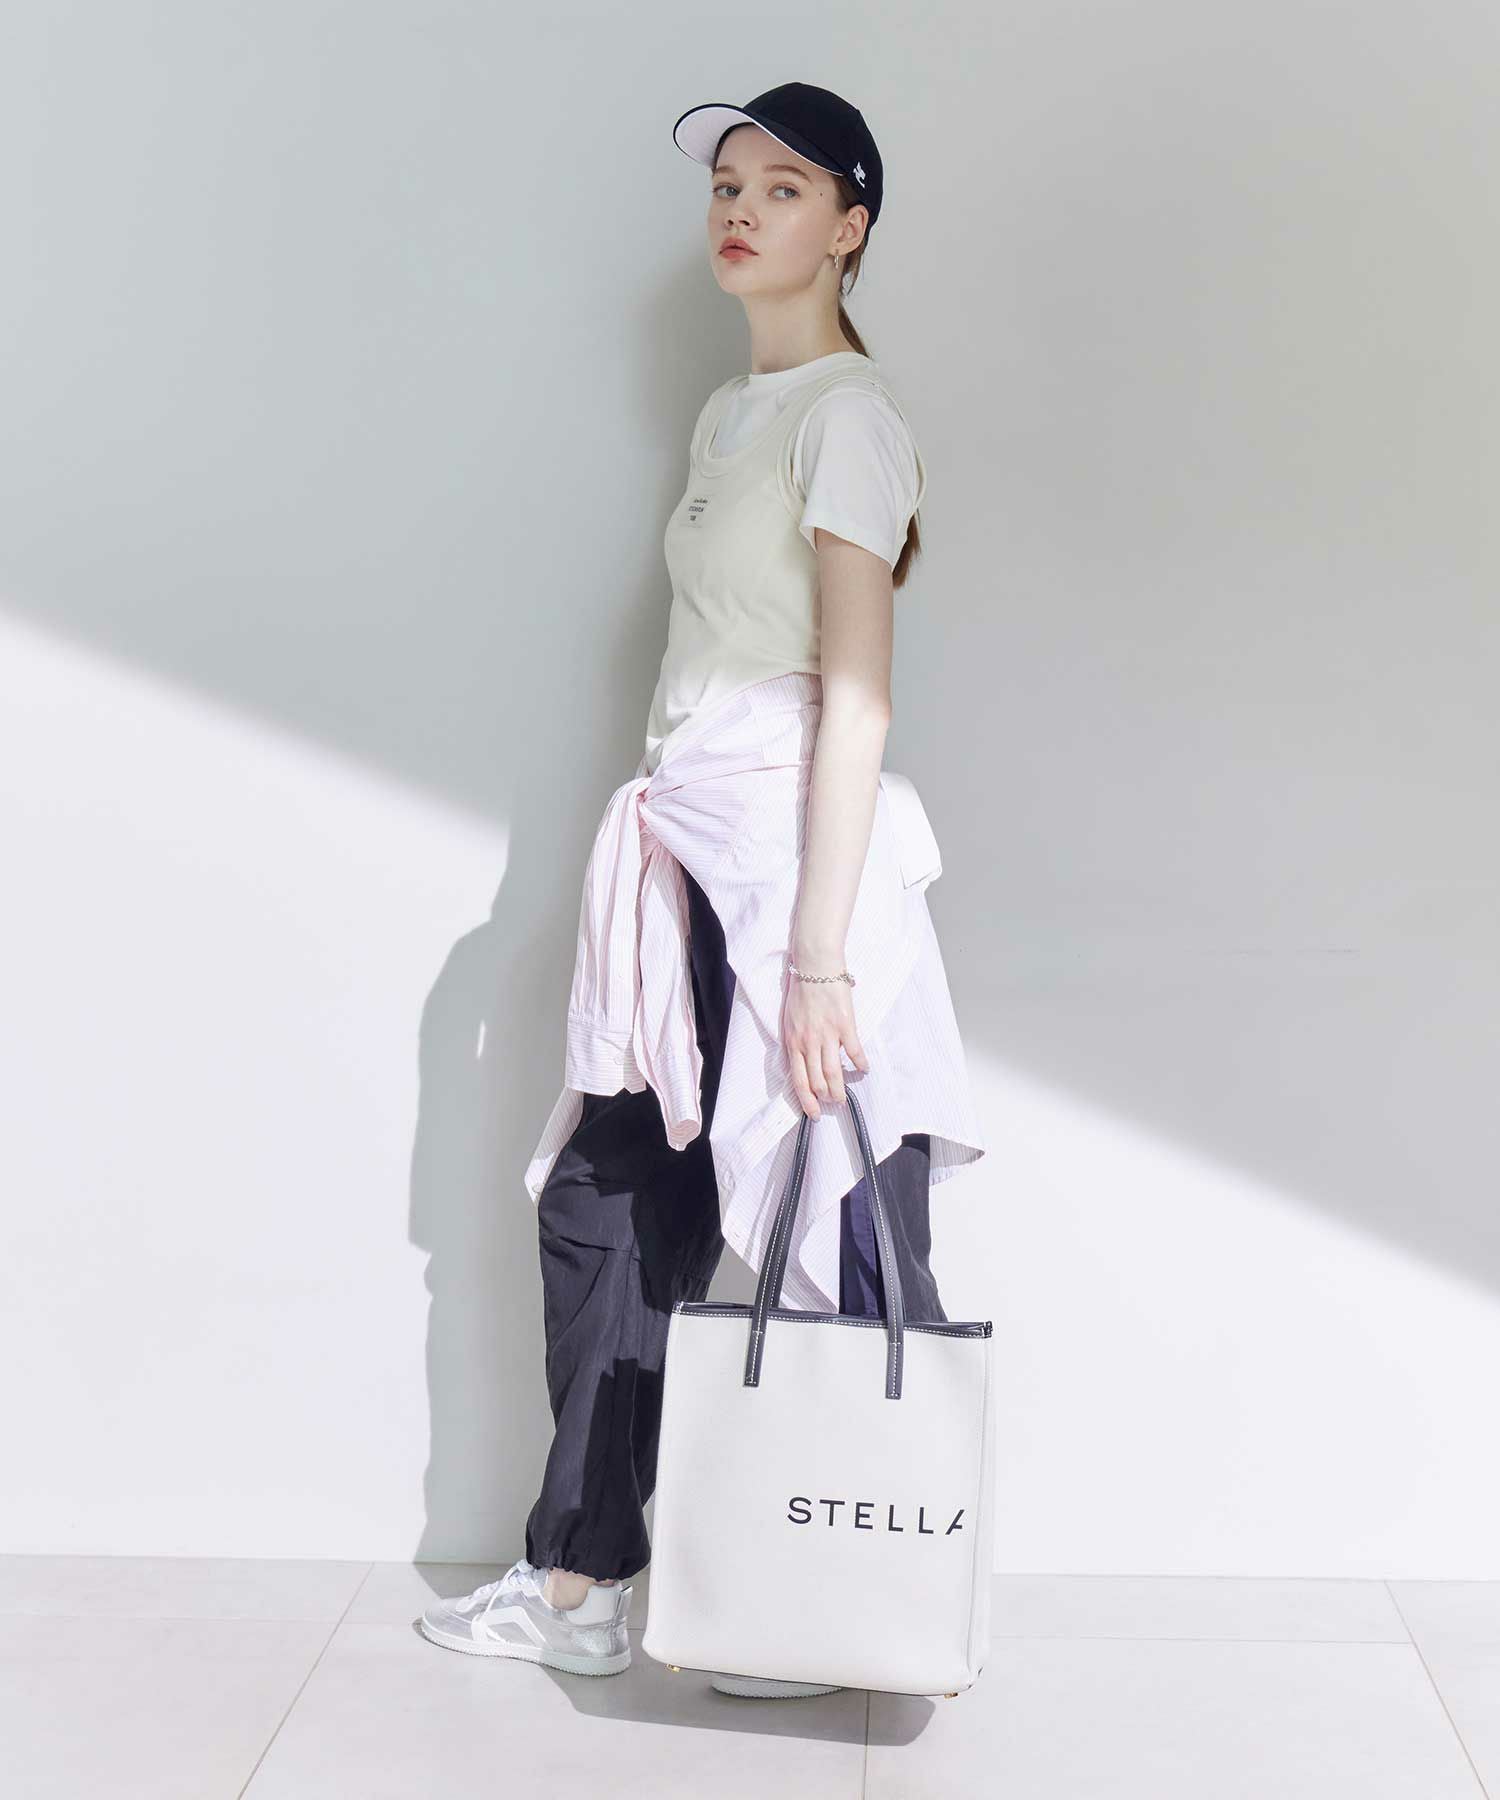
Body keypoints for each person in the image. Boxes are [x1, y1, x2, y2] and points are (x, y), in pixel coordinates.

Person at [420, 82, 985, 1698]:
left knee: (843, 1228)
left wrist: (817, 960)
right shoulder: (734, 415)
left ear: (851, 225)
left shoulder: (847, 418)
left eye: (784, 185)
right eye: (728, 183)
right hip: (689, 855)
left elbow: (856, 699)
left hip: (792, 868)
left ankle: (851, 1607)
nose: (740, 206)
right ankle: (583, 1579)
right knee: (610, 1202)